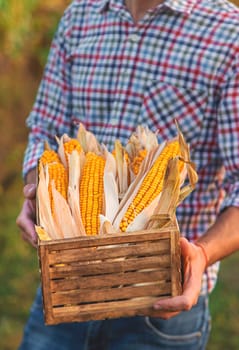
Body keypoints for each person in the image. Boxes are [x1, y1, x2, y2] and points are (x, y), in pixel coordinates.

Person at [16, 0, 239, 349]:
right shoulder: (80, 15)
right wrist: (38, 194)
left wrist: (202, 253)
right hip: (68, 284)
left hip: (161, 305)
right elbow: (45, 128)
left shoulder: (229, 32)